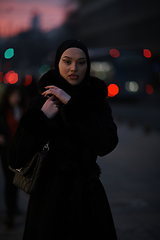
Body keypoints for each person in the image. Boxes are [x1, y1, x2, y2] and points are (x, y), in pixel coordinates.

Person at [7, 39, 118, 240]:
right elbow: (15, 157)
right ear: (58, 63)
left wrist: (73, 106)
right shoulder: (41, 101)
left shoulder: (96, 103)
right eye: (67, 61)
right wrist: (41, 118)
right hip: (47, 201)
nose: (74, 68)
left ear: (88, 65)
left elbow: (107, 144)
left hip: (88, 200)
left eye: (81, 62)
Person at [0, 84, 26, 228]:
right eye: (13, 95)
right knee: (9, 181)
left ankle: (14, 207)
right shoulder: (3, 111)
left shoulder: (23, 109)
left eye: (18, 95)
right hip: (6, 151)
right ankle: (9, 214)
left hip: (20, 151)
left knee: (17, 179)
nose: (16, 98)